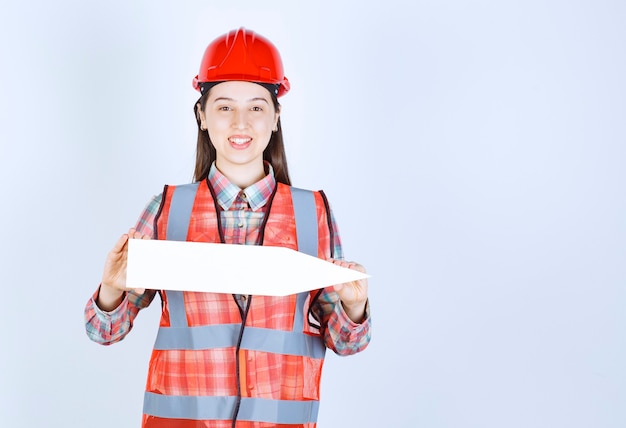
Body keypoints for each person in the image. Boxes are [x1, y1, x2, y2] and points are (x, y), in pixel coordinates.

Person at [84, 27, 371, 428]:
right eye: (224, 107)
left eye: (256, 107)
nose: (241, 122)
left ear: (276, 117)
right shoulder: (168, 210)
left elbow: (346, 342)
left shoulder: (312, 213)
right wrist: (111, 291)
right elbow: (103, 332)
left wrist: (354, 308)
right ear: (202, 116)